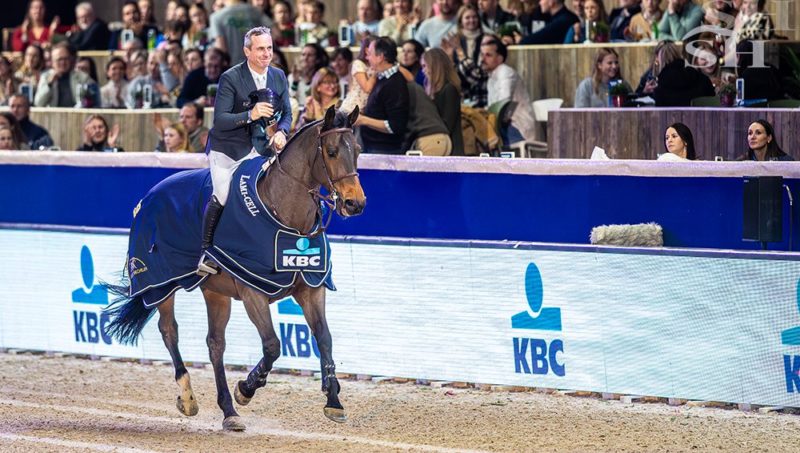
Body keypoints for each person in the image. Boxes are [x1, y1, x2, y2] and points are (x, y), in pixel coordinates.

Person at [198, 26, 292, 274]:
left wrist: (282, 131)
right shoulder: (230, 77)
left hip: (261, 147)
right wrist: (250, 114)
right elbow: (220, 120)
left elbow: (288, 112)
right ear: (247, 51)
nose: (266, 54)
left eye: (269, 48)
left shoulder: (279, 76)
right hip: (227, 148)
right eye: (260, 49)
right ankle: (206, 251)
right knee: (224, 193)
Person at [355, 36, 410, 154]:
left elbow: (396, 126)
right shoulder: (382, 78)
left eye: (369, 53)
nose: (366, 57)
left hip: (385, 151)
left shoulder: (394, 83)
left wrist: (363, 120)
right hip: (374, 147)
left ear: (380, 57)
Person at [481, 37, 536, 146]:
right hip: (501, 125)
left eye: (488, 55)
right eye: (482, 55)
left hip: (515, 127)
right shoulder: (491, 77)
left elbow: (502, 106)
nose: (482, 59)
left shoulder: (505, 72)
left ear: (500, 58)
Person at [422, 48, 463, 155]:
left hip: (450, 149)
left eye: (425, 66)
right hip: (438, 146)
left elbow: (447, 124)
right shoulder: (431, 90)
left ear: (435, 67)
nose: (423, 71)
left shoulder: (449, 89)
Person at [34, 43, 99, 108]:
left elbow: (96, 101)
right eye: (59, 59)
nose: (63, 63)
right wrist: (49, 85)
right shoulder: (46, 77)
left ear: (71, 60)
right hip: (53, 116)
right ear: (52, 62)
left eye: (66, 59)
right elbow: (38, 103)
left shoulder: (83, 77)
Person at [652, 41, 714, 106]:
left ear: (659, 60)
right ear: (678, 54)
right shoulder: (701, 78)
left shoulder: (662, 84)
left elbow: (660, 112)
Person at [340, 36, 377, 114]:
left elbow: (410, 78)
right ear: (367, 50)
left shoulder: (373, 66)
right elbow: (367, 88)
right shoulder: (359, 64)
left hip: (363, 110)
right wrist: (376, 71)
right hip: (350, 110)